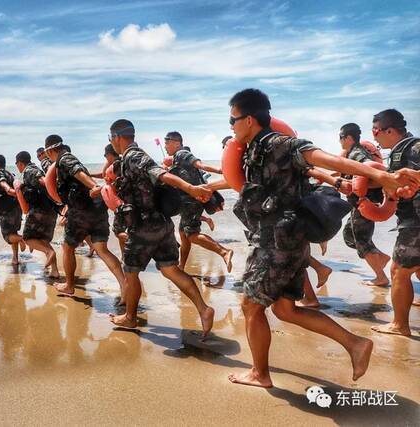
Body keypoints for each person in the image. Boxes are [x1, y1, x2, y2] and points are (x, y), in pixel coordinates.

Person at [207, 89, 417, 388]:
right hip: (284, 240)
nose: (230, 126)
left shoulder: (281, 144)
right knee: (285, 308)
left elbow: (324, 159)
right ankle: (355, 344)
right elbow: (307, 172)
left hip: (276, 243)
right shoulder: (255, 150)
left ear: (249, 119)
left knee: (250, 306)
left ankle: (259, 373)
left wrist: (382, 177)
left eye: (232, 119)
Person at [106, 119, 216, 337]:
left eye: (111, 139)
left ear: (117, 137)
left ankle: (129, 317)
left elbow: (160, 173)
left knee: (130, 272)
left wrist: (190, 188)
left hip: (144, 226)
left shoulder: (134, 156)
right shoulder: (129, 158)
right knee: (170, 269)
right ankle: (204, 310)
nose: (112, 142)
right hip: (162, 224)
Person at [43, 135, 126, 299]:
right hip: (97, 208)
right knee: (102, 249)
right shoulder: (69, 159)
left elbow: (78, 172)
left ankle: (69, 286)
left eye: (47, 154)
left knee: (68, 248)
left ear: (51, 150)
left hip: (81, 211)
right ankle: (125, 287)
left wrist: (94, 185)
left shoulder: (65, 158)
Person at [370, 109, 420, 336]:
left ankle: (400, 325)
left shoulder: (415, 148)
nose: (374, 136)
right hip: (411, 219)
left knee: (399, 270)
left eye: (376, 130)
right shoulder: (401, 153)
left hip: (416, 221)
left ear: (389, 130)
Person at [163, 131, 233, 272]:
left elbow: (199, 164)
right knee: (183, 235)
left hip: (192, 201)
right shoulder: (177, 158)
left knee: (192, 235)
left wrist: (220, 170)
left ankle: (224, 252)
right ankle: (182, 267)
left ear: (177, 143)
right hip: (187, 201)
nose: (165, 146)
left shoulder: (182, 154)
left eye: (167, 142)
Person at [337, 123, 391, 287]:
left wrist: (360, 189)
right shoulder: (353, 153)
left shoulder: (358, 155)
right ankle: (380, 257)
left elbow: (375, 175)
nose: (339, 142)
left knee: (361, 239)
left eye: (340, 138)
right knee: (349, 236)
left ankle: (381, 277)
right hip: (358, 204)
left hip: (365, 203)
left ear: (348, 138)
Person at [15, 151, 60, 278]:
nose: (17, 166)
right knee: (43, 240)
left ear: (20, 163)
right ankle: (55, 271)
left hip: (39, 210)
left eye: (16, 163)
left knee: (28, 238)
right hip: (50, 210)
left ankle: (49, 252)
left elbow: (44, 182)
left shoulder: (30, 170)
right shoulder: (35, 169)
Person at [0, 154, 26, 265]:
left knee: (7, 236)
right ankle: (15, 258)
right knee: (13, 232)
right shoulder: (11, 174)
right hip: (17, 207)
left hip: (4, 208)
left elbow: (6, 188)